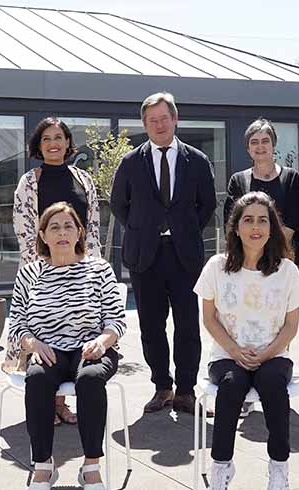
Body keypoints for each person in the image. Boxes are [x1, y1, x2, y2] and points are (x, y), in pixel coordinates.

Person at [8, 202, 126, 490]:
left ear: (80, 232)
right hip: (48, 350)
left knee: (89, 380)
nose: (62, 233)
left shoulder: (99, 269)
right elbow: (17, 322)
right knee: (36, 379)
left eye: (68, 226)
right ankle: (43, 467)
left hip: (92, 348)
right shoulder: (30, 273)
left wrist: (103, 341)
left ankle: (91, 467)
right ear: (43, 235)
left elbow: (117, 320)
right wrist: (32, 344)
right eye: (55, 227)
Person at [194, 191, 299, 490]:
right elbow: (209, 318)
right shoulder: (217, 267)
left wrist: (268, 352)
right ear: (236, 227)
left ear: (272, 227)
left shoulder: (286, 271)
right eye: (248, 220)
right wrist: (234, 349)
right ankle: (221, 467)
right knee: (232, 385)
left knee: (272, 384)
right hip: (228, 355)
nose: (255, 227)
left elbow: (291, 327)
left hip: (275, 356)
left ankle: (279, 468)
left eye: (262, 220)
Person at [111, 92, 216, 414]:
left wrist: (182, 229)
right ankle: (162, 387)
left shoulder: (196, 160)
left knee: (187, 325)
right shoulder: (130, 162)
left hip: (184, 255)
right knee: (152, 326)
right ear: (144, 124)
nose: (158, 125)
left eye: (163, 118)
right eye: (151, 120)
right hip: (146, 256)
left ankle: (186, 391)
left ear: (175, 119)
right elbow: (118, 204)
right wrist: (146, 229)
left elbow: (207, 205)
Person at [8, 116, 102, 425]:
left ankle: (61, 404)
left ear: (67, 143)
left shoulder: (83, 179)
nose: (53, 143)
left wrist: (91, 262)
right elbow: (22, 226)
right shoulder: (29, 181)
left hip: (78, 271)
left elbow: (92, 225)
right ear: (39, 144)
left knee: (72, 331)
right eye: (47, 138)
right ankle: (44, 402)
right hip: (42, 270)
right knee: (42, 330)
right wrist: (43, 263)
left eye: (59, 137)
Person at [224, 118, 299, 272]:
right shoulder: (238, 180)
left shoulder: (291, 178)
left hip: (286, 259)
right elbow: (231, 223)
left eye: (265, 141)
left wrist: (269, 249)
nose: (260, 146)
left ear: (273, 145)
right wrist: (255, 252)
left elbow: (297, 220)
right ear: (248, 149)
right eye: (254, 142)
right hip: (248, 262)